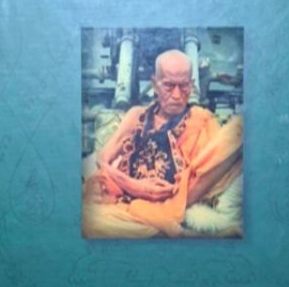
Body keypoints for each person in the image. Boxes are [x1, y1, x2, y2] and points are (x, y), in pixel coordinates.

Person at [82, 49, 242, 238]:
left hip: (179, 196)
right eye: (168, 86)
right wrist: (136, 187)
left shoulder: (201, 118)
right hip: (133, 204)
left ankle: (169, 226)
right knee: (88, 221)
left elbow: (207, 168)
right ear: (154, 84)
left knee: (240, 127)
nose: (177, 95)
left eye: (184, 86)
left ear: (192, 85)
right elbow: (102, 160)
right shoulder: (136, 115)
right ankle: (170, 231)